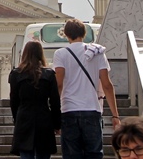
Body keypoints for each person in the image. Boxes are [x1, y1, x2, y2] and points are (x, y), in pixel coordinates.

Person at [54, 18, 120, 159]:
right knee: (94, 154)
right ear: (83, 33)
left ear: (66, 34)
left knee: (71, 155)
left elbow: (59, 84)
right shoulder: (97, 52)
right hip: (92, 109)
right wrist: (115, 115)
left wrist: (54, 111)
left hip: (69, 110)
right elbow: (107, 85)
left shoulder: (60, 54)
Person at [9, 40, 61, 159]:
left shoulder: (16, 74)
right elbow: (55, 101)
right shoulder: (49, 74)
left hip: (24, 117)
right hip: (44, 118)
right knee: (43, 153)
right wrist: (57, 124)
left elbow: (14, 101)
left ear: (25, 54)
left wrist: (17, 119)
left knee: (26, 154)